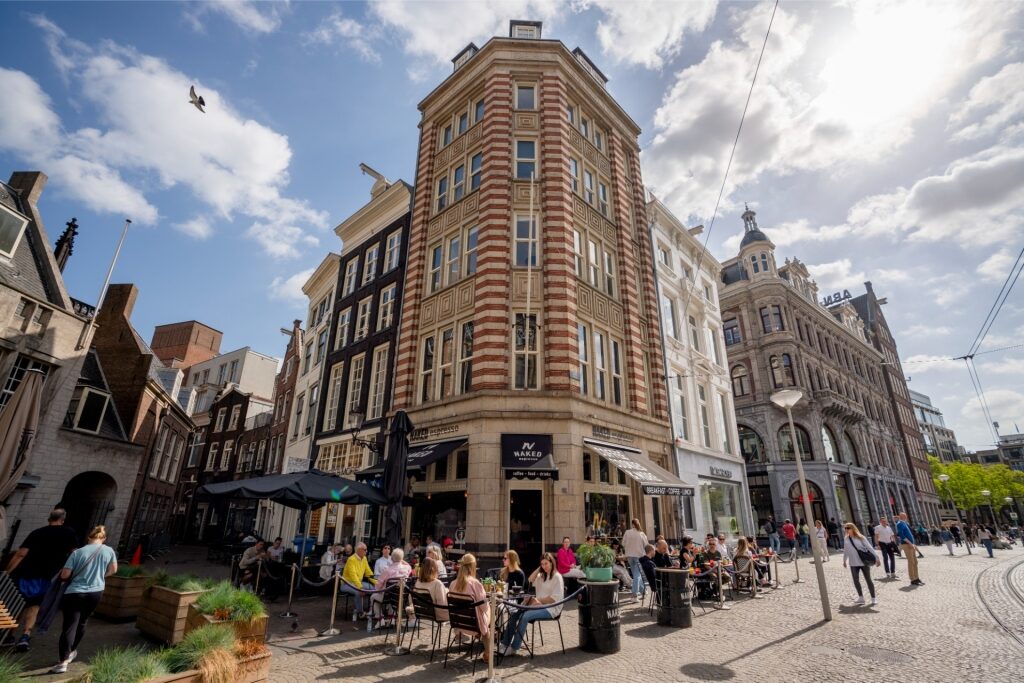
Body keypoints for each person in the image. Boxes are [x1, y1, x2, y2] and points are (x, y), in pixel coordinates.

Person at [4, 508, 78, 653]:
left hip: (25, 574)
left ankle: (10, 635)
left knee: (18, 605)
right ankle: (25, 636)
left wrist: (7, 572)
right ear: (62, 520)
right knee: (35, 606)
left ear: (49, 519)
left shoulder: (37, 532)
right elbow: (75, 553)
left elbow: (21, 554)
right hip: (46, 576)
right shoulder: (69, 533)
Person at [50, 525, 118, 674]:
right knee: (83, 622)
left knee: (70, 626)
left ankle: (63, 662)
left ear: (89, 537)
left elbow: (65, 575)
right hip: (96, 592)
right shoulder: (109, 551)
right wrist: (101, 576)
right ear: (104, 539)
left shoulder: (77, 552)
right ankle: (72, 651)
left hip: (75, 592)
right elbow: (113, 570)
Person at [499, 553, 563, 656]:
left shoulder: (557, 577)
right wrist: (539, 568)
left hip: (551, 609)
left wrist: (538, 600)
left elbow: (554, 599)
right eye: (542, 564)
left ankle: (514, 648)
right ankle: (504, 644)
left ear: (552, 563)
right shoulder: (542, 576)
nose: (544, 566)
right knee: (515, 614)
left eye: (546, 563)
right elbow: (530, 579)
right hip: (538, 605)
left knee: (525, 616)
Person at [448, 554, 492, 663]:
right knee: (491, 608)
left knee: (481, 612)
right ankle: (488, 651)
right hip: (474, 624)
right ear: (473, 567)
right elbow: (484, 607)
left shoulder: (453, 584)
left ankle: (482, 635)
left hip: (459, 623)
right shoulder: (475, 583)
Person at [371, 548, 411, 625]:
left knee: (373, 597)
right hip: (401, 597)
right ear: (402, 559)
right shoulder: (406, 569)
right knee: (392, 597)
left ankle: (380, 619)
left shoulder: (387, 571)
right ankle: (391, 618)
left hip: (388, 597)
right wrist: (401, 560)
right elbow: (409, 566)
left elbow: (378, 586)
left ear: (391, 558)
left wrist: (379, 590)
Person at [842, 523, 879, 606]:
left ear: (853, 528)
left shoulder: (861, 537)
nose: (846, 530)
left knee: (868, 579)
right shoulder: (846, 539)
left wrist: (877, 558)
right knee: (855, 580)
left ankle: (873, 598)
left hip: (863, 562)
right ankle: (861, 597)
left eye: (848, 528)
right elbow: (846, 550)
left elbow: (869, 547)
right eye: (845, 528)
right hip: (853, 563)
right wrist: (844, 561)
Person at [340, 542, 376, 619]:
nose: (366, 551)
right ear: (359, 550)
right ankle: (360, 612)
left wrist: (377, 583)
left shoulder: (364, 558)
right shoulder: (351, 559)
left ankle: (372, 610)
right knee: (358, 592)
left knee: (375, 589)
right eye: (365, 550)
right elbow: (353, 576)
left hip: (358, 582)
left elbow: (369, 573)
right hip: (346, 583)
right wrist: (360, 587)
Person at [414, 552, 449, 622]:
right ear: (434, 569)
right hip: (436, 615)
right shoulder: (437, 584)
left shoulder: (418, 582)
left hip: (421, 612)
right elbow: (442, 604)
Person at [622, 518, 649, 600]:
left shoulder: (627, 532)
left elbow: (623, 543)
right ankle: (634, 595)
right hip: (639, 556)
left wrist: (628, 547)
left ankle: (643, 591)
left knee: (636, 575)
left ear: (632, 524)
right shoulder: (641, 534)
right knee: (637, 575)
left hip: (629, 556)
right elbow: (646, 545)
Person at [895, 513, 922, 586]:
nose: (906, 516)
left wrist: (913, 543)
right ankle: (913, 579)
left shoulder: (905, 523)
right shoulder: (899, 523)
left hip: (911, 544)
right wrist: (909, 543)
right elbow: (901, 535)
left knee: (915, 562)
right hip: (906, 544)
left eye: (905, 515)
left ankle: (916, 577)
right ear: (901, 516)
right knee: (911, 562)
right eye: (904, 515)